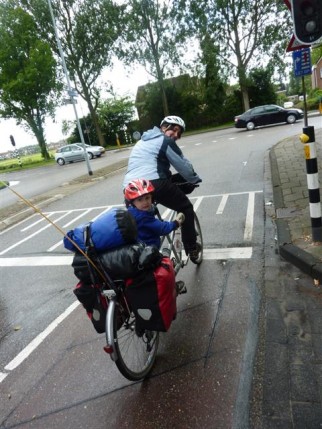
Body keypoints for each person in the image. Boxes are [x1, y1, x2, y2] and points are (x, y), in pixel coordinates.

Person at [123, 115, 202, 263]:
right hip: (153, 183)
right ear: (164, 127)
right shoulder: (164, 141)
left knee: (140, 224)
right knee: (185, 207)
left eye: (179, 134)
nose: (176, 135)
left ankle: (145, 257)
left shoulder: (142, 141)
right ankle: (191, 248)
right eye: (175, 130)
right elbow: (183, 165)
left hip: (130, 189)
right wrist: (194, 179)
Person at [124, 178, 185, 249]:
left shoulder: (131, 211)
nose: (145, 202)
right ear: (132, 202)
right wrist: (175, 223)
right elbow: (163, 229)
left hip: (138, 246)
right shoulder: (143, 217)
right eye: (140, 200)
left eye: (147, 198)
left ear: (152, 198)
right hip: (149, 249)